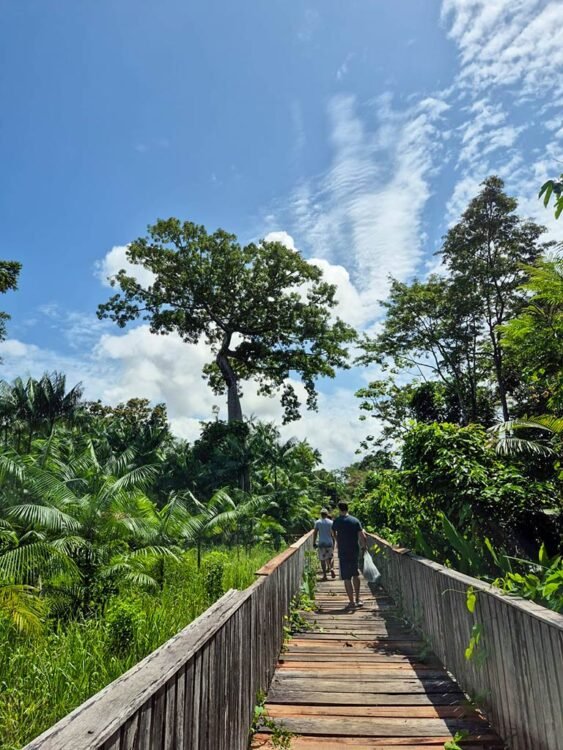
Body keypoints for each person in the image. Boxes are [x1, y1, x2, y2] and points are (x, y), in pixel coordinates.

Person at [332, 501, 367, 609]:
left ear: (339, 509)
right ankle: (357, 599)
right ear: (348, 508)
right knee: (355, 575)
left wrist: (337, 540)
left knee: (347, 578)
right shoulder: (355, 521)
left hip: (343, 552)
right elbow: (363, 536)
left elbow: (333, 532)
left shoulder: (337, 521)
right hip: (354, 552)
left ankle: (351, 602)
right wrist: (364, 547)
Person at [313, 508, 335, 581]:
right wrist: (335, 541)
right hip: (329, 542)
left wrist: (314, 542)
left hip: (321, 542)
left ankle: (325, 575)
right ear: (327, 514)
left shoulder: (318, 522)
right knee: (331, 557)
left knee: (322, 559)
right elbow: (333, 533)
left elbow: (315, 533)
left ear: (321, 514)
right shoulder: (331, 522)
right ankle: (331, 568)